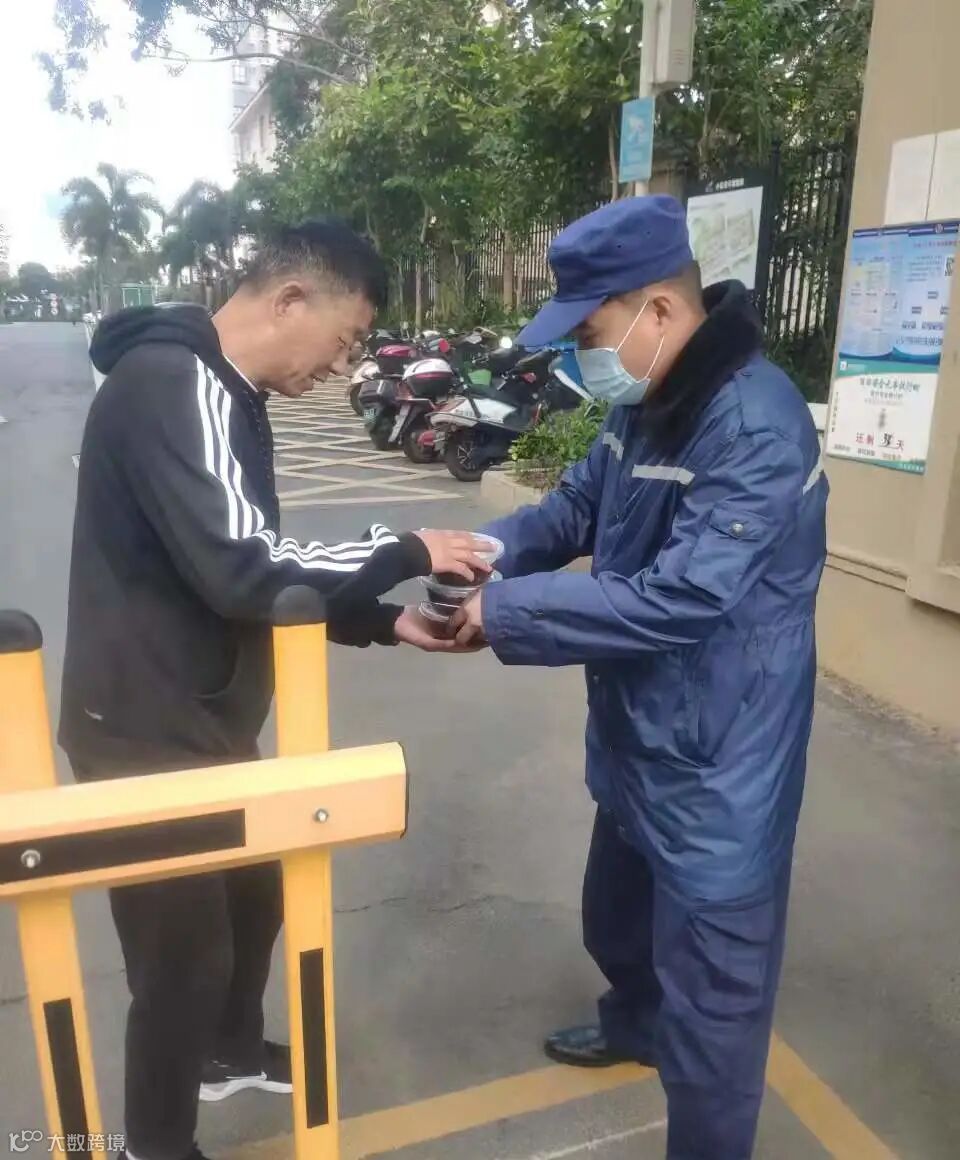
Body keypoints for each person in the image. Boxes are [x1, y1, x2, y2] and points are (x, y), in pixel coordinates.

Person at [59, 221, 488, 1160]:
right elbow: (242, 565)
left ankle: (226, 1052)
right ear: (291, 299)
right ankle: (154, 1144)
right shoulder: (174, 382)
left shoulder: (226, 391)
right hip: (143, 727)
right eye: (344, 340)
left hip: (203, 713)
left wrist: (381, 620)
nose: (342, 368)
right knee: (181, 956)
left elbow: (247, 572)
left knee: (254, 897)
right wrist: (406, 550)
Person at [450, 196, 828, 1159]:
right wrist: (474, 557)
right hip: (639, 733)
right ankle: (634, 1023)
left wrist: (506, 615)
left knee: (716, 1016)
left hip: (719, 761)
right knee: (617, 921)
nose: (583, 357)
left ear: (658, 311)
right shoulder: (643, 405)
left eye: (589, 333)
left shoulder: (755, 425)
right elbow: (571, 511)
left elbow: (683, 599)